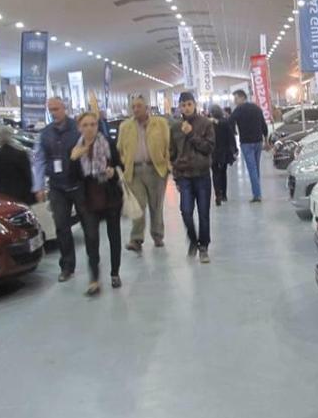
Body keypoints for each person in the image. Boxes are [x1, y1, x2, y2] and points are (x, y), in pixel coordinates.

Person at [32, 97, 84, 282]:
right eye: (50, 109)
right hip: (57, 186)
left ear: (64, 108)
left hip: (78, 184)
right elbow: (38, 160)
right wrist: (38, 186)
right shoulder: (45, 134)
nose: (53, 113)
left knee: (88, 224)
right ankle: (67, 266)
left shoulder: (77, 129)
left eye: (56, 109)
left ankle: (94, 262)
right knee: (62, 227)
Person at [71, 112, 123, 296]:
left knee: (114, 235)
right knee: (91, 238)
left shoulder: (108, 144)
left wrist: (113, 173)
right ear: (79, 127)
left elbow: (119, 166)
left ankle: (115, 272)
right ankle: (94, 278)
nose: (90, 128)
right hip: (88, 197)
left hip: (109, 194)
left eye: (93, 124)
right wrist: (74, 159)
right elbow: (72, 177)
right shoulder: (75, 149)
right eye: (85, 125)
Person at [117, 96, 170, 253]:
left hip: (156, 169)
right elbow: (120, 147)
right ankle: (136, 239)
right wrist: (126, 160)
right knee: (138, 205)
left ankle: (158, 235)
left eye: (139, 106)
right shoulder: (125, 126)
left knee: (156, 204)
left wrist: (166, 163)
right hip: (135, 171)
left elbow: (168, 144)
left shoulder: (159, 123)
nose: (136, 109)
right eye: (133, 107)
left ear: (147, 107)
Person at [170, 92, 215, 263]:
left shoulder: (205, 124)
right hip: (184, 176)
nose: (186, 108)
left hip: (202, 175)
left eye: (189, 104)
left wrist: (191, 135)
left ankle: (203, 246)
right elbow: (172, 153)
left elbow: (209, 147)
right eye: (183, 105)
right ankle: (193, 239)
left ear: (194, 105)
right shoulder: (175, 127)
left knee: (204, 213)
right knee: (186, 211)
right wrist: (176, 176)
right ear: (179, 107)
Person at [224, 89, 268, 202]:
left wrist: (233, 134)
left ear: (242, 97)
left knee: (252, 168)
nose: (234, 100)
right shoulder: (257, 108)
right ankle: (257, 192)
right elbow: (263, 124)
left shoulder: (239, 110)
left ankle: (257, 195)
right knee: (256, 167)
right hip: (258, 141)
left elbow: (230, 122)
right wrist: (266, 138)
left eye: (236, 98)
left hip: (247, 143)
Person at [0, 126, 34, 205]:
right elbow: (28, 178)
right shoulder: (21, 155)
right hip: (19, 196)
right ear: (11, 136)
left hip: (0, 197)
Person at [210, 105, 237, 206]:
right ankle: (224, 194)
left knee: (215, 173)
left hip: (213, 152)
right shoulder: (225, 122)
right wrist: (234, 150)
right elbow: (231, 136)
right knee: (223, 173)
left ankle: (218, 194)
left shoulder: (209, 123)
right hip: (224, 152)